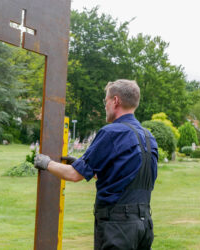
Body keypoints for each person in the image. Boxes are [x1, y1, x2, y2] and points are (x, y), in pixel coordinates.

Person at [34, 79, 158, 250]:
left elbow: (73, 175)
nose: (104, 105)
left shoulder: (112, 132)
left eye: (105, 100)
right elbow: (125, 177)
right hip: (144, 224)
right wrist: (81, 164)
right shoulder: (148, 137)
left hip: (117, 225)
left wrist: (46, 163)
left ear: (115, 101)